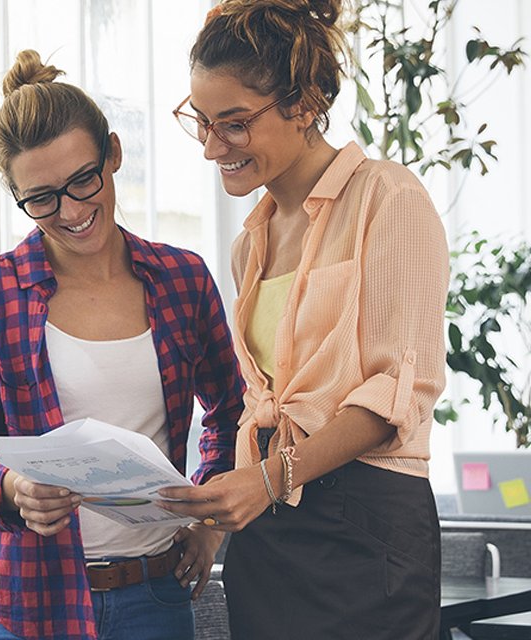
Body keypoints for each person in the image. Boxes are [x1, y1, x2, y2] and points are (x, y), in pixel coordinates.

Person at [156, 2, 450, 638]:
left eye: (233, 125)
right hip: (268, 532)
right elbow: (257, 404)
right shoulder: (250, 244)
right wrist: (213, 528)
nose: (212, 148)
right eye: (201, 124)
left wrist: (267, 479)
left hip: (366, 521)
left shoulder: (387, 198)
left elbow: (397, 395)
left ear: (307, 102)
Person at [0, 49, 245, 640]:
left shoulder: (182, 279)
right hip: (26, 602)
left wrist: (209, 519)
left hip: (155, 595)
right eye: (43, 198)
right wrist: (12, 488)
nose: (73, 211)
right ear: (19, 197)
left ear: (113, 152)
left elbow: (233, 413)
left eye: (84, 180)